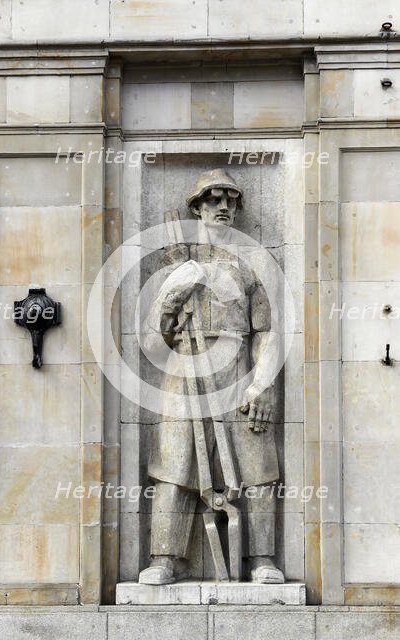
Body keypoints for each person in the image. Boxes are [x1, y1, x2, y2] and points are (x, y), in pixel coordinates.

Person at [139, 169, 284, 585]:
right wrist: (173, 292)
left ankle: (261, 559)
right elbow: (152, 340)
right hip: (185, 366)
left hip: (238, 365)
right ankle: (165, 558)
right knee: (175, 462)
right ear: (197, 207)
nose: (223, 207)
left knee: (257, 465)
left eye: (230, 200)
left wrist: (263, 383)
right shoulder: (176, 265)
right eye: (214, 199)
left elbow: (267, 331)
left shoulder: (253, 261)